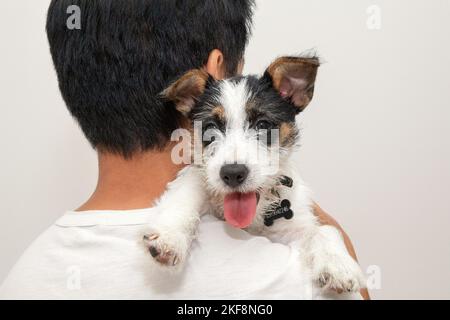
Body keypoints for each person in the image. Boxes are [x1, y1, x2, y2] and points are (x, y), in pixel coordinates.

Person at [0, 0, 368, 299]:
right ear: (215, 72)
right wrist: (335, 237)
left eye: (262, 128)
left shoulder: (21, 280)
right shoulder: (294, 284)